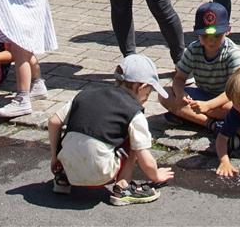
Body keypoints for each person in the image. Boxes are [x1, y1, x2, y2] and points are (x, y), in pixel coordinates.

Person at [47, 54, 174, 206]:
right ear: (141, 87)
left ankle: (63, 179)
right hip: (100, 174)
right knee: (134, 143)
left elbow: (54, 122)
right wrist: (156, 176)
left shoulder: (85, 94)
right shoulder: (134, 112)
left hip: (68, 167)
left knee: (75, 130)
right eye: (150, 91)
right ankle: (123, 189)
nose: (148, 96)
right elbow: (144, 157)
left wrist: (55, 157)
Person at [164, 2, 240, 128]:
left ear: (228, 30)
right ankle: (211, 124)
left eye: (217, 36)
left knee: (236, 109)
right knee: (164, 94)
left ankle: (189, 115)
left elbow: (234, 90)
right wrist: (180, 94)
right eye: (205, 36)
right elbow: (179, 78)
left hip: (225, 98)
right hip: (202, 94)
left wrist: (208, 105)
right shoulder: (193, 49)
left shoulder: (232, 53)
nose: (211, 41)